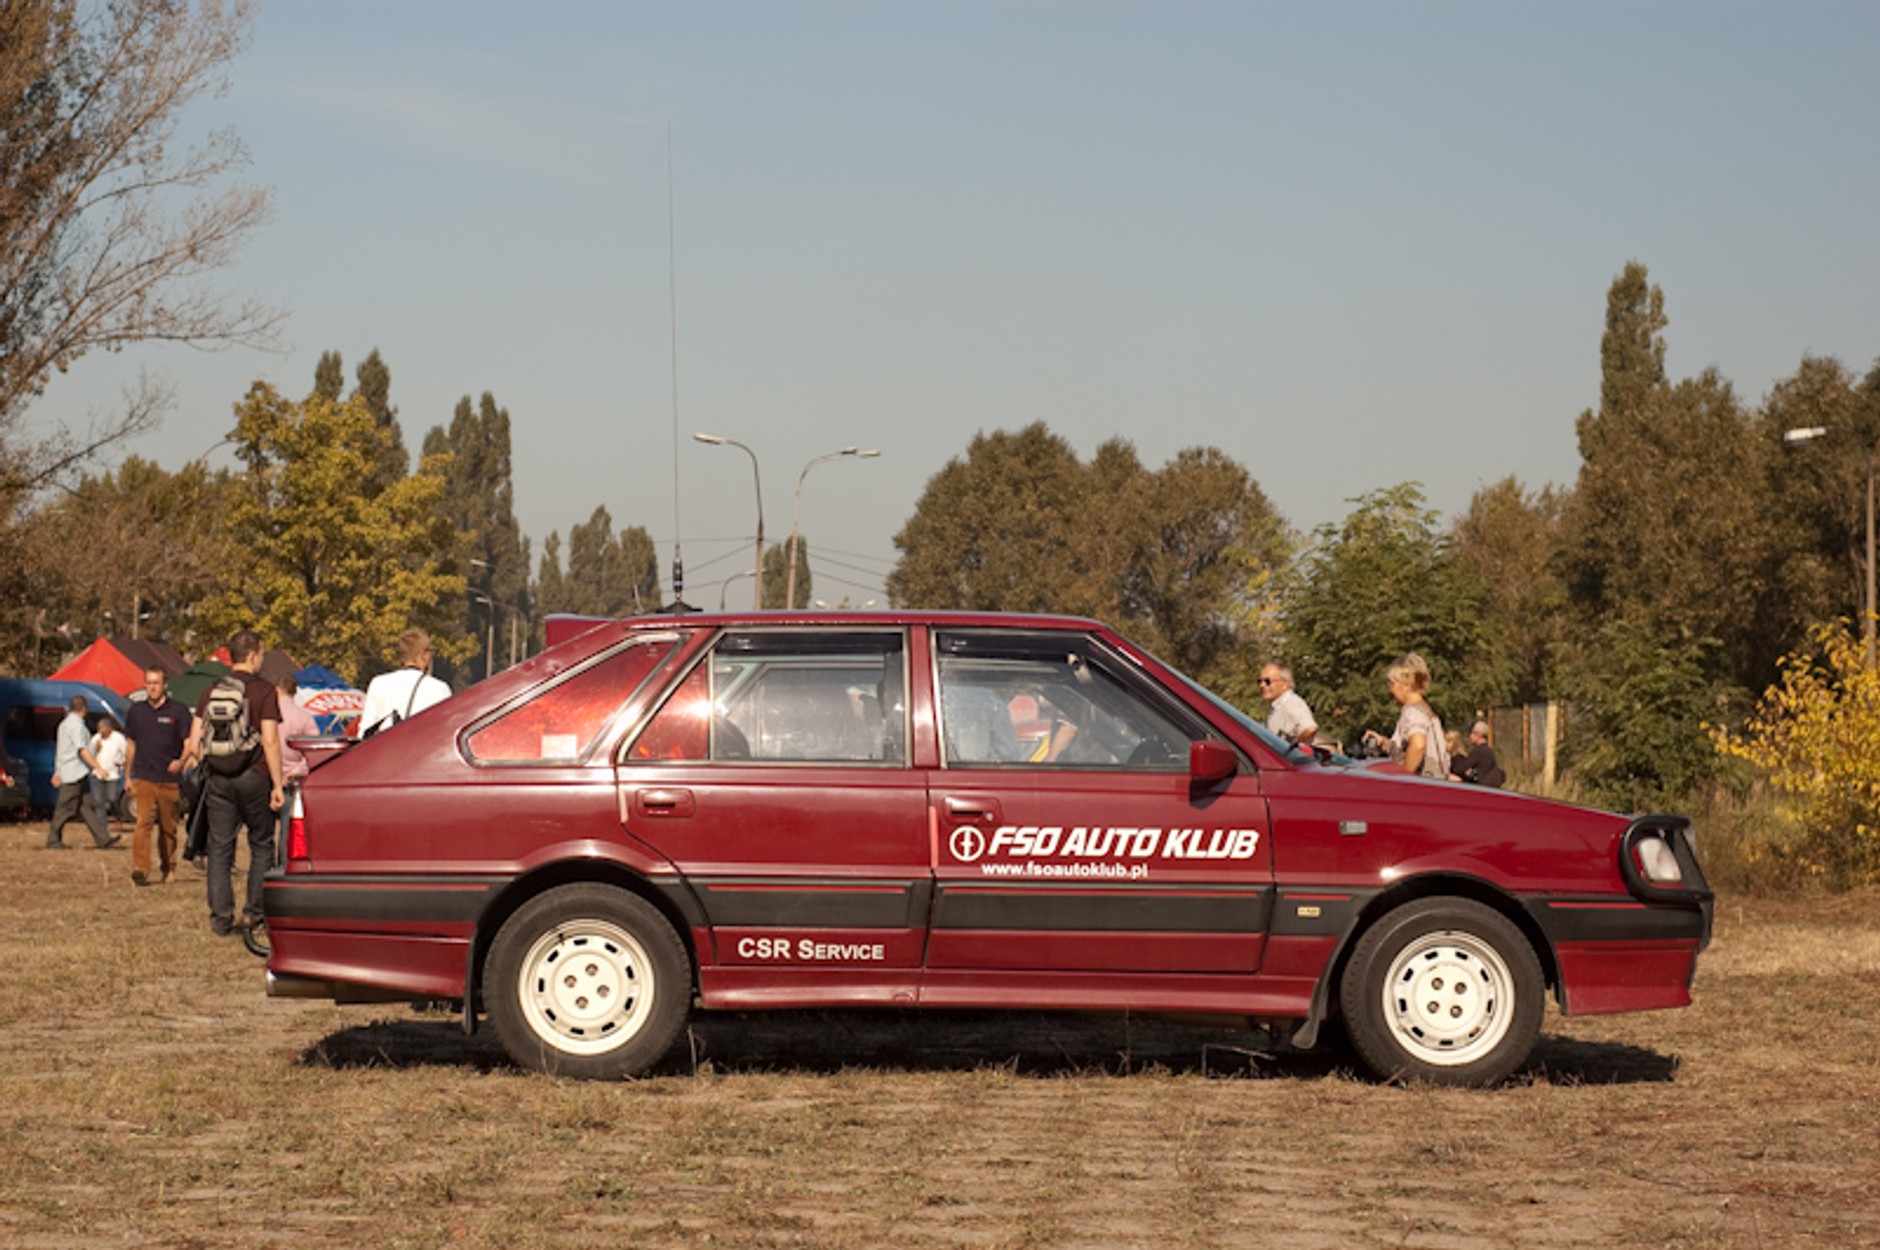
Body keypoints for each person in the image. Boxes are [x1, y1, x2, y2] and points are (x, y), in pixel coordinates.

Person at [187, 630, 285, 936]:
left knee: (219, 848)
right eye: (262, 655)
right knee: (261, 844)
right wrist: (278, 784)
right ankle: (253, 914)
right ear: (253, 655)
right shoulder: (265, 690)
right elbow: (270, 740)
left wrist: (211, 762)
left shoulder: (211, 689)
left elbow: (193, 742)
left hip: (218, 778)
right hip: (254, 776)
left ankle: (220, 918)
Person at [123, 666, 194, 885]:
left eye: (156, 683)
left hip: (169, 780)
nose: (152, 687)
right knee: (143, 823)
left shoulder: (178, 711)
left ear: (165, 685)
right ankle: (140, 869)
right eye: (149, 683)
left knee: (168, 828)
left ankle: (169, 867)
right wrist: (127, 776)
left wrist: (181, 762)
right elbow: (131, 745)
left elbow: (189, 743)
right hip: (143, 776)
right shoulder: (136, 711)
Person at [1362, 653, 1449, 780]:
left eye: (1392, 684)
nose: (1390, 689)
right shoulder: (1425, 710)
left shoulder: (1412, 711)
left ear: (1407, 684)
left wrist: (1403, 778)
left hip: (1423, 787)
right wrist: (1383, 742)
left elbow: (1418, 744)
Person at [47, 696, 117, 849]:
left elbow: (62, 750)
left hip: (73, 770)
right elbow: (81, 750)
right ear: (84, 708)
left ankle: (103, 838)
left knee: (86, 807)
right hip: (74, 772)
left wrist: (58, 771)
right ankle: (53, 840)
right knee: (65, 808)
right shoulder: (76, 726)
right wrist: (98, 767)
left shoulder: (65, 724)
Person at [357, 628, 452, 737]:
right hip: (421, 751)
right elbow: (445, 733)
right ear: (424, 655)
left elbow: (364, 732)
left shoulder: (378, 683)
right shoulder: (439, 688)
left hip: (385, 750)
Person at [276, 673, 321, 781]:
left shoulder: (267, 715)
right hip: (295, 776)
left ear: (277, 689)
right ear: (295, 692)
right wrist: (297, 770)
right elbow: (315, 750)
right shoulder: (305, 717)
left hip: (270, 773)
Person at [1259, 662, 1318, 746]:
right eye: (1260, 681)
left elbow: (1310, 728)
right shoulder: (1279, 706)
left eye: (1267, 682)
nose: (1262, 685)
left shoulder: (1292, 703)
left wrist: (1290, 750)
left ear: (1285, 684)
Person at [88, 715, 128, 827]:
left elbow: (126, 753)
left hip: (112, 773)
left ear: (109, 729)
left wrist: (121, 762)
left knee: (112, 797)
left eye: (103, 729)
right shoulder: (96, 739)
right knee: (98, 800)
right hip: (98, 773)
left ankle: (118, 816)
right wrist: (96, 749)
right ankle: (102, 825)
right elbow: (89, 755)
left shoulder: (119, 738)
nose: (101, 732)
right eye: (99, 729)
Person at [1450, 720, 1507, 789]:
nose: (1470, 736)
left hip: (1480, 787)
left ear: (1479, 735)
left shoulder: (1479, 751)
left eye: (1472, 733)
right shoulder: (1487, 751)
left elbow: (1461, 768)